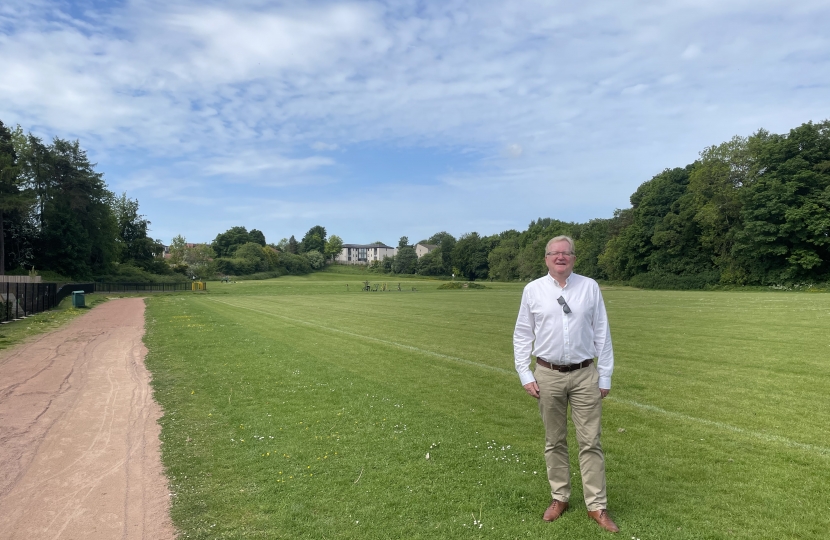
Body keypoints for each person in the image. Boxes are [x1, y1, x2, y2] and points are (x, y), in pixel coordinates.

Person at [513, 235, 619, 533]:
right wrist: (525, 372)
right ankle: (560, 497)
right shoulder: (533, 290)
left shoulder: (590, 287)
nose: (560, 257)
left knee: (591, 442)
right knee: (554, 441)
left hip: (586, 374)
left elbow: (602, 331)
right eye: (554, 253)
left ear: (574, 258)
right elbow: (523, 333)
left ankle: (596, 505)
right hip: (547, 374)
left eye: (566, 253)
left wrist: (605, 375)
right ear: (546, 258)